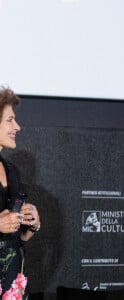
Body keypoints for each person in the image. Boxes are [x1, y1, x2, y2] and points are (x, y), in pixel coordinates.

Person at [0, 87, 41, 296]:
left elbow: (19, 239)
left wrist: (31, 226)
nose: (17, 126)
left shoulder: (12, 172)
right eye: (9, 120)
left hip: (12, 284)